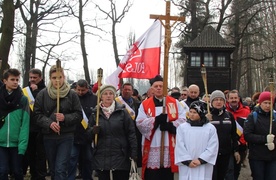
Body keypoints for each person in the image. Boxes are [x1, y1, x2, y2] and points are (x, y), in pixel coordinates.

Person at [34, 65, 82, 180]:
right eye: (54, 77)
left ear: (64, 77)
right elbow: (36, 114)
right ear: (50, 78)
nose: (57, 80)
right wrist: (49, 123)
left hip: (66, 136)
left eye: (60, 77)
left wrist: (65, 118)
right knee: (53, 169)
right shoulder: (42, 94)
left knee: (61, 168)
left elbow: (79, 114)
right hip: (49, 136)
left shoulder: (72, 94)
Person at [136, 75, 186, 180]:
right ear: (152, 89)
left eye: (161, 86)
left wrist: (170, 126)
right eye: (156, 86)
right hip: (152, 143)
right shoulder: (145, 104)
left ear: (165, 88)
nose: (158, 88)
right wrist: (156, 120)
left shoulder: (174, 103)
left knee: (167, 175)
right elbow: (140, 123)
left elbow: (184, 120)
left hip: (168, 143)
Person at [87, 84, 137, 180]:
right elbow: (87, 135)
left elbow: (131, 133)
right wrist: (93, 131)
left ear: (114, 96)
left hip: (120, 156)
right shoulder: (95, 114)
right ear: (101, 97)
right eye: (105, 94)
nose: (108, 96)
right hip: (101, 156)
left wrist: (133, 152)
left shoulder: (122, 112)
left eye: (111, 93)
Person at [175, 101, 219, 180]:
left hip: (203, 165)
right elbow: (179, 146)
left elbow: (213, 147)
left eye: (195, 112)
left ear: (201, 113)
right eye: (190, 112)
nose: (191, 114)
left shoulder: (210, 128)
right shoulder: (182, 128)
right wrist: (188, 161)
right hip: (187, 166)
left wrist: (201, 160)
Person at [0, 68, 30, 180]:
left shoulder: (23, 100)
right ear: (4, 81)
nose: (16, 82)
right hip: (1, 143)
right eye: (12, 79)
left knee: (17, 171)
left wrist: (22, 145)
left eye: (17, 79)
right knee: (2, 171)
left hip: (16, 143)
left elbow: (25, 124)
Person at [68, 79, 97, 180]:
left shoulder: (94, 99)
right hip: (74, 134)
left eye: (83, 90)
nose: (80, 92)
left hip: (88, 136)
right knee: (72, 160)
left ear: (87, 89)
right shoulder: (71, 97)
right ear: (75, 88)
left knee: (88, 160)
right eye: (78, 90)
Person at [244, 91, 276, 180]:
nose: (267, 105)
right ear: (260, 103)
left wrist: (274, 142)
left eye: (270, 103)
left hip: (273, 156)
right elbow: (247, 135)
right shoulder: (253, 116)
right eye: (265, 103)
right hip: (257, 157)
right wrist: (265, 139)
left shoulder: (274, 116)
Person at [209, 90, 240, 180]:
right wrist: (204, 120)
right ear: (211, 102)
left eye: (221, 100)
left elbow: (233, 134)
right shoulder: (207, 115)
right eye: (216, 100)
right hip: (212, 153)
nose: (218, 102)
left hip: (226, 152)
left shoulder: (229, 115)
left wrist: (236, 150)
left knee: (224, 175)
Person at [22, 68, 47, 180]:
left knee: (40, 155)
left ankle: (40, 176)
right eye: (31, 77)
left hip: (40, 127)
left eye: (35, 78)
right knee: (30, 153)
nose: (32, 80)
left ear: (40, 78)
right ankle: (33, 174)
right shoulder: (25, 91)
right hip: (28, 127)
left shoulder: (45, 90)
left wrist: (36, 92)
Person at [225, 90, 250, 180]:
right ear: (227, 99)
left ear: (239, 98)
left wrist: (241, 141)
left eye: (235, 98)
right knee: (229, 170)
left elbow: (248, 129)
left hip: (241, 145)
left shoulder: (246, 112)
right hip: (228, 145)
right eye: (231, 98)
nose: (234, 100)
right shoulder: (224, 111)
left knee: (237, 169)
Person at [115, 83, 142, 168]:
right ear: (121, 90)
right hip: (121, 133)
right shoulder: (116, 103)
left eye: (129, 90)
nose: (126, 91)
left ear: (132, 91)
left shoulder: (138, 104)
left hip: (134, 133)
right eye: (125, 89)